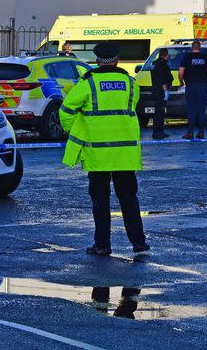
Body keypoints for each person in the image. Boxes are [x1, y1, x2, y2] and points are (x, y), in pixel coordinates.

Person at [59, 42, 149, 256]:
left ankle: (102, 245)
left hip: (97, 155)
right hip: (125, 155)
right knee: (129, 199)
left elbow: (66, 111)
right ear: (117, 61)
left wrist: (75, 130)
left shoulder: (87, 84)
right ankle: (138, 243)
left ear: (97, 61)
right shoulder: (130, 83)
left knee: (101, 202)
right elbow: (131, 107)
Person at [178, 41, 207, 140]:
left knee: (191, 109)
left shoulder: (186, 57)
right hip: (202, 86)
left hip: (190, 86)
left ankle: (190, 133)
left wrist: (181, 82)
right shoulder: (205, 57)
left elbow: (181, 73)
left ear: (192, 47)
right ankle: (201, 133)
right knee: (201, 109)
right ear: (200, 47)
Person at [150, 48, 173, 140]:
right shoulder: (163, 65)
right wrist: (166, 91)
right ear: (166, 55)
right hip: (160, 91)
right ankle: (158, 132)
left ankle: (158, 132)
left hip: (155, 89)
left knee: (157, 112)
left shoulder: (154, 64)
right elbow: (162, 79)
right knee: (160, 112)